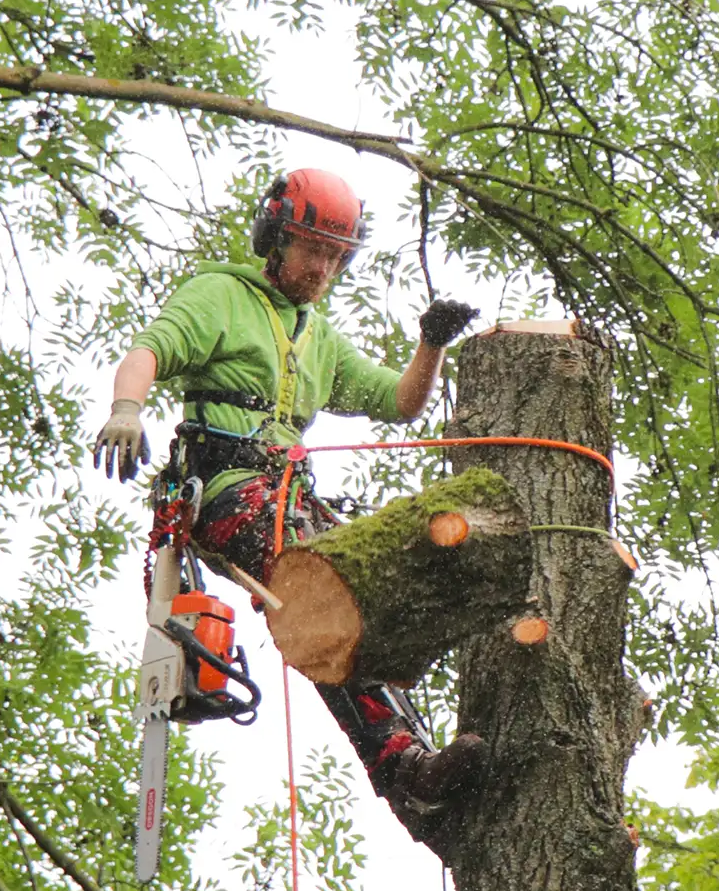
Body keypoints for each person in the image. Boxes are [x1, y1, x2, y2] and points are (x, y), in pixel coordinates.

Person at [93, 166, 485, 830]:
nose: (324, 268)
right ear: (276, 240)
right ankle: (403, 767)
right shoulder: (219, 295)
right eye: (314, 250)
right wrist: (126, 408)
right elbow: (149, 352)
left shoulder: (319, 337)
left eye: (337, 256)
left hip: (290, 499)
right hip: (226, 492)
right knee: (326, 593)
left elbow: (398, 401)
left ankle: (416, 754)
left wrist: (431, 344)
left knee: (381, 586)